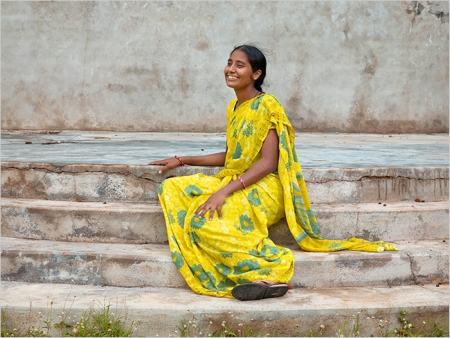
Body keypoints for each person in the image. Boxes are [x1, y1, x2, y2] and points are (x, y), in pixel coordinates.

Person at [148, 44, 396, 301]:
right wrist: (182, 159)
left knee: (201, 222)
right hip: (236, 179)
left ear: (256, 74)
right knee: (171, 188)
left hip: (266, 186)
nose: (230, 69)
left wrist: (223, 192)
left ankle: (270, 272)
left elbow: (268, 162)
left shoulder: (268, 106)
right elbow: (232, 156)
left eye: (239, 65)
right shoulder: (233, 108)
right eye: (229, 62)